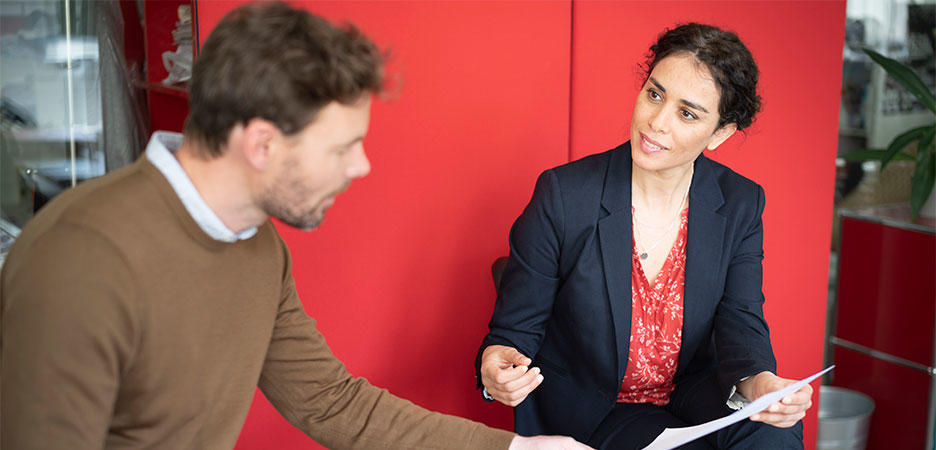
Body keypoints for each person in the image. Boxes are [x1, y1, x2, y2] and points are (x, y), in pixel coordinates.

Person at [0, 3, 592, 449]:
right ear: (261, 143)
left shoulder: (254, 244)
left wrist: (516, 447)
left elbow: (332, 403)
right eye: (342, 148)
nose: (360, 167)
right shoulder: (82, 257)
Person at [476, 23, 813, 449]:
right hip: (597, 408)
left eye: (687, 113)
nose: (656, 121)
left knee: (773, 435)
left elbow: (741, 319)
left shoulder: (740, 202)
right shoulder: (565, 195)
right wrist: (496, 365)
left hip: (693, 391)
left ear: (720, 134)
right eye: (655, 94)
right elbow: (513, 333)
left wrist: (759, 384)